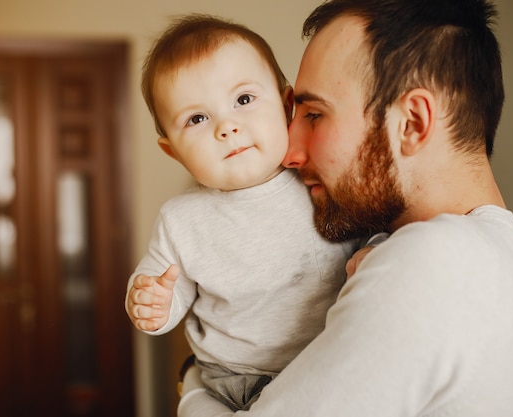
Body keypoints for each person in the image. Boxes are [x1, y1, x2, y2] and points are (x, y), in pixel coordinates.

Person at [177, 0, 513, 416]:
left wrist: (194, 382)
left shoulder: (434, 261)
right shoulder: (501, 254)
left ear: (412, 123)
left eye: (315, 114)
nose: (289, 152)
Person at [125, 14, 370, 412]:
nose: (227, 127)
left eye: (243, 100)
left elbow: (370, 227)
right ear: (173, 151)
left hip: (326, 360)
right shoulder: (181, 220)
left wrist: (373, 249)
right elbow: (164, 286)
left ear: (287, 105)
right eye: (197, 119)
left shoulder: (318, 179)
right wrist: (151, 303)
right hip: (232, 379)